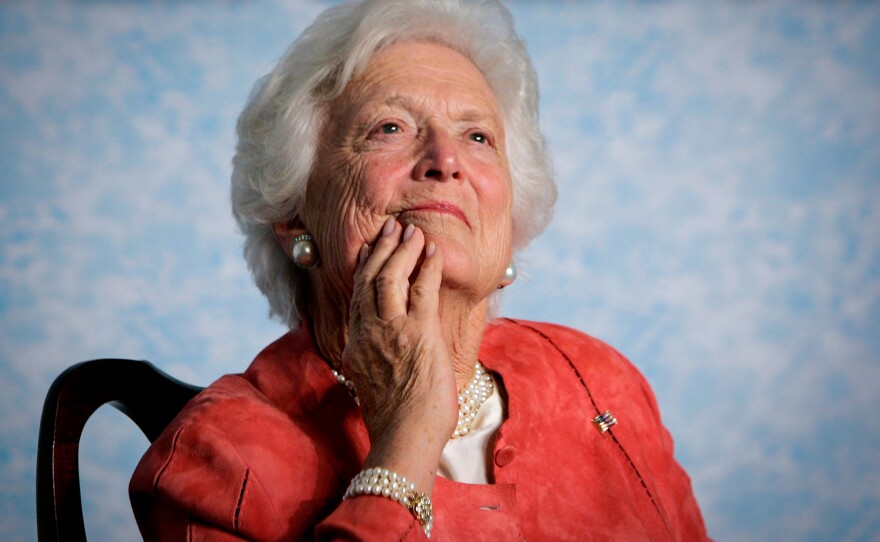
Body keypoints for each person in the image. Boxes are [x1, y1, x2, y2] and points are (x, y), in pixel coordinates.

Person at [130, 0, 710, 540]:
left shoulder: (598, 377)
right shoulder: (218, 455)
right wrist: (407, 433)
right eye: (391, 128)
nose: (446, 161)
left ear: (509, 222)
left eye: (477, 136)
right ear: (293, 213)